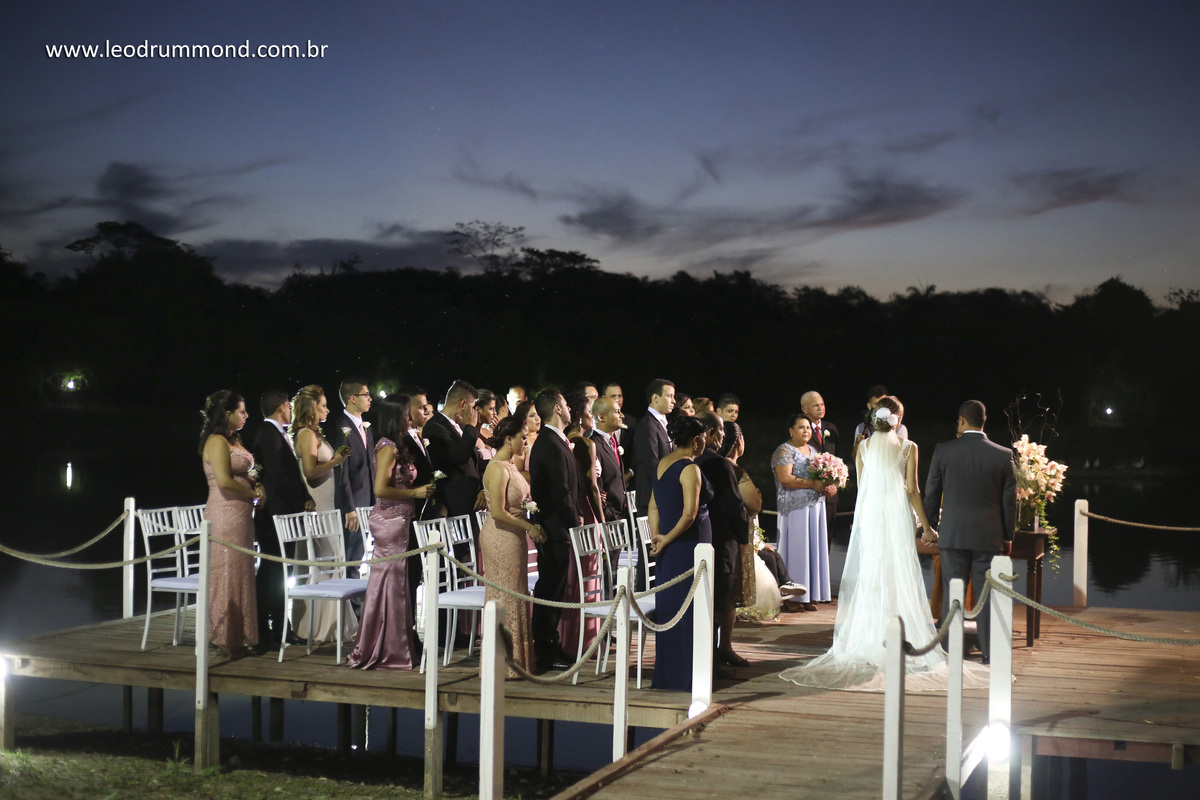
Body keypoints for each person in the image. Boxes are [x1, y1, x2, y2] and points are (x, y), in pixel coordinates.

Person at [780, 397, 989, 692]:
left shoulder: (863, 448)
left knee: (873, 572)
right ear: (898, 419)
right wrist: (927, 527)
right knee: (898, 571)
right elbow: (914, 490)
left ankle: (871, 635)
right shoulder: (908, 447)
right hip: (896, 515)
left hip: (872, 516)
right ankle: (900, 633)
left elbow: (864, 489)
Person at [924, 399, 1018, 665]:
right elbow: (1009, 502)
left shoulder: (943, 451)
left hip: (953, 535)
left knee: (953, 593)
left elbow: (932, 493)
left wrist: (928, 527)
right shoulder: (1002, 454)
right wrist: (1008, 536)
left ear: (961, 421)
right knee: (988, 595)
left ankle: (949, 651)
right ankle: (989, 653)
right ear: (983, 422)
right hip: (988, 537)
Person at [347, 397, 433, 669]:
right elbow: (380, 490)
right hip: (391, 521)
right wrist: (415, 492)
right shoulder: (387, 448)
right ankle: (386, 646)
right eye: (406, 414)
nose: (410, 418)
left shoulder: (398, 445)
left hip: (402, 518)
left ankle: (399, 642)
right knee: (392, 583)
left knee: (400, 583)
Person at [648, 416, 713, 690]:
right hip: (688, 548)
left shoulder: (663, 463)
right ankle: (688, 677)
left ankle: (670, 673)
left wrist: (657, 536)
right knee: (689, 610)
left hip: (668, 548)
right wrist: (667, 539)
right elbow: (689, 514)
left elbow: (652, 506)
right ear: (697, 440)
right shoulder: (690, 469)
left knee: (673, 608)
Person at [479, 415, 547, 677]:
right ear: (509, 439)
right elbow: (497, 511)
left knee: (515, 593)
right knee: (503, 595)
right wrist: (529, 526)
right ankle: (502, 663)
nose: (525, 443)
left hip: (513, 536)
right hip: (500, 537)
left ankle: (517, 662)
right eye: (522, 438)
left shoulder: (510, 466)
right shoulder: (496, 468)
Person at [199, 390, 264, 658]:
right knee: (225, 574)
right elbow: (225, 481)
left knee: (241, 573)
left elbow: (245, 474)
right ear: (227, 414)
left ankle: (242, 636)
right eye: (241, 411)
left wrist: (256, 483)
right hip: (225, 513)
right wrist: (255, 495)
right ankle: (223, 637)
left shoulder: (233, 440)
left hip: (242, 516)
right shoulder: (215, 441)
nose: (246, 415)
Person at [290, 384, 356, 643]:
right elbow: (310, 471)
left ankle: (332, 625)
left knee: (332, 565)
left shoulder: (315, 433)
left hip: (327, 507)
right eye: (324, 405)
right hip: (317, 509)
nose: (327, 409)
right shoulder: (306, 434)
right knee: (323, 565)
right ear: (311, 407)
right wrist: (335, 462)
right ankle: (316, 627)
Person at [250, 389, 314, 649]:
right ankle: (264, 632)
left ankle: (281, 628)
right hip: (274, 515)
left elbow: (290, 475)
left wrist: (305, 494)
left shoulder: (277, 433)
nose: (291, 410)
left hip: (283, 513)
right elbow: (279, 476)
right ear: (282, 407)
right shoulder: (267, 434)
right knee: (271, 572)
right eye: (289, 405)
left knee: (279, 572)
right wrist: (302, 502)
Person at [527, 389, 580, 673]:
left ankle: (551, 642)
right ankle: (544, 651)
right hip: (554, 527)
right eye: (567, 403)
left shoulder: (556, 441)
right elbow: (560, 491)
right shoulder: (548, 442)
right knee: (550, 587)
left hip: (558, 527)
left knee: (556, 587)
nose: (571, 407)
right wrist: (575, 521)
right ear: (558, 409)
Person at [695, 412, 749, 669]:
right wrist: (743, 534)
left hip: (696, 537)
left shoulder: (686, 461)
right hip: (722, 537)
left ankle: (711, 655)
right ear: (713, 432)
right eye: (722, 432)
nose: (724, 438)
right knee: (719, 597)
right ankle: (712, 661)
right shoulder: (719, 464)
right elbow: (733, 505)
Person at [560, 391, 605, 656]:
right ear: (579, 416)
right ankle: (587, 641)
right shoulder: (587, 445)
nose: (592, 417)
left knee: (575, 576)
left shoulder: (566, 443)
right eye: (589, 412)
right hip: (588, 512)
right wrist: (601, 518)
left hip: (574, 511)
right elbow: (591, 485)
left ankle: (571, 640)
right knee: (588, 575)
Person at [772, 413, 832, 609]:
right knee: (797, 550)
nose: (806, 431)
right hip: (795, 509)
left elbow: (823, 474)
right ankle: (792, 598)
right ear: (791, 430)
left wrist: (830, 483)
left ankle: (809, 594)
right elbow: (785, 478)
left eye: (808, 427)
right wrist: (813, 484)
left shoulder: (813, 450)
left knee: (812, 549)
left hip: (815, 509)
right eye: (801, 427)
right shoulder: (784, 450)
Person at [327, 379, 376, 578]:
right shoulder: (341, 426)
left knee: (359, 556)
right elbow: (341, 470)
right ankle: (351, 608)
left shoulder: (367, 426)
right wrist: (349, 507)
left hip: (367, 498)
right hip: (353, 503)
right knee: (349, 558)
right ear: (352, 398)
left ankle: (355, 607)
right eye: (366, 394)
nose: (370, 398)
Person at [424, 380, 486, 517]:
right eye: (472, 406)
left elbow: (474, 462)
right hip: (455, 503)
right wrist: (472, 427)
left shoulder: (462, 427)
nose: (474, 412)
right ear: (463, 404)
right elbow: (459, 456)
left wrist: (483, 488)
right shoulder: (434, 427)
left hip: (473, 502)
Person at [801, 390, 840, 544]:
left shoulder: (831, 428)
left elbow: (838, 459)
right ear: (805, 409)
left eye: (822, 404)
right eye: (816, 405)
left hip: (831, 496)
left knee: (827, 539)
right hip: (809, 494)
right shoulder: (800, 430)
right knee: (809, 540)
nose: (821, 408)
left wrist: (834, 484)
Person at [633, 378, 676, 515]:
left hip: (663, 497)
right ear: (656, 398)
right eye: (670, 396)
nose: (674, 401)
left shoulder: (662, 422)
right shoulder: (647, 425)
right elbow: (651, 463)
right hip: (651, 498)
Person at [589, 396, 628, 524]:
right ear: (601, 417)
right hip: (610, 518)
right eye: (617, 411)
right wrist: (607, 513)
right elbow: (596, 484)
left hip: (621, 514)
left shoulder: (612, 441)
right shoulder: (594, 444)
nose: (622, 415)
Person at [853, 385, 909, 459]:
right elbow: (855, 460)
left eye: (884, 404)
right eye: (877, 405)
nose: (881, 408)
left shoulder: (900, 428)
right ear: (869, 406)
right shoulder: (862, 428)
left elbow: (902, 458)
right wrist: (858, 444)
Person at [512, 399, 541, 477]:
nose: (537, 418)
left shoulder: (544, 437)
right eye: (532, 415)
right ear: (523, 419)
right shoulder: (521, 441)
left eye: (538, 414)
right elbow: (517, 472)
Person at [474, 389, 499, 463]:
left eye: (495, 409)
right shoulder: (467, 434)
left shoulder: (488, 433)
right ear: (478, 410)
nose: (495, 413)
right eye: (491, 409)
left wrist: (499, 433)